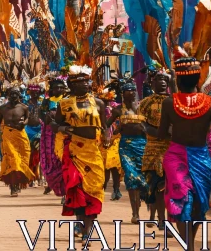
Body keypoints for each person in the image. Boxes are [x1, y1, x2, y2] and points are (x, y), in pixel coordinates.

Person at [158, 50, 211, 250]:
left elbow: (161, 133)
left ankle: (188, 244)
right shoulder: (210, 103)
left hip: (175, 155)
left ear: (178, 80)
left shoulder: (169, 103)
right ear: (199, 79)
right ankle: (189, 244)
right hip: (201, 156)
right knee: (197, 202)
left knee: (181, 200)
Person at [52, 66, 106, 241]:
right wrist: (62, 128)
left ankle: (88, 229)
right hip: (74, 152)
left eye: (86, 81)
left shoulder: (99, 103)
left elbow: (104, 128)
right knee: (77, 190)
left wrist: (107, 141)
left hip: (94, 152)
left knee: (94, 190)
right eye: (80, 82)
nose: (85, 84)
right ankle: (83, 230)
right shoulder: (65, 104)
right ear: (72, 86)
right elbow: (55, 125)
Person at [106, 79, 147, 224]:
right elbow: (106, 125)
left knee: (143, 178)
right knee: (130, 177)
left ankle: (142, 199)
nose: (131, 93)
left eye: (133, 91)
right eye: (127, 91)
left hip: (143, 145)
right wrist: (108, 135)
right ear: (122, 94)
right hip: (126, 147)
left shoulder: (143, 107)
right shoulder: (118, 110)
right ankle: (135, 213)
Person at [0, 84, 36, 197]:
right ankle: (13, 186)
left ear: (20, 95)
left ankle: (18, 183)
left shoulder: (24, 107)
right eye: (12, 93)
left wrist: (23, 123)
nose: (14, 95)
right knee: (12, 160)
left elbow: (27, 119)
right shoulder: (3, 108)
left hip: (20, 136)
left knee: (22, 161)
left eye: (16, 93)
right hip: (8, 136)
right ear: (8, 95)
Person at [138, 69, 170, 227]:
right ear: (152, 82)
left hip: (172, 147)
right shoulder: (146, 102)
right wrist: (154, 131)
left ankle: (166, 219)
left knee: (169, 184)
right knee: (156, 184)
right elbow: (140, 122)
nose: (163, 82)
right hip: (153, 148)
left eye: (165, 79)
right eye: (159, 79)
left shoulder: (173, 101)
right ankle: (158, 217)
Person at [40, 77, 65, 196]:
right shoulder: (47, 101)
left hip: (63, 131)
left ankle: (64, 189)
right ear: (52, 89)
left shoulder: (67, 100)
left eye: (61, 87)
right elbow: (41, 114)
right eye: (56, 88)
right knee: (51, 158)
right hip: (49, 133)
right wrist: (48, 116)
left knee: (63, 159)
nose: (59, 89)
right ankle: (52, 181)